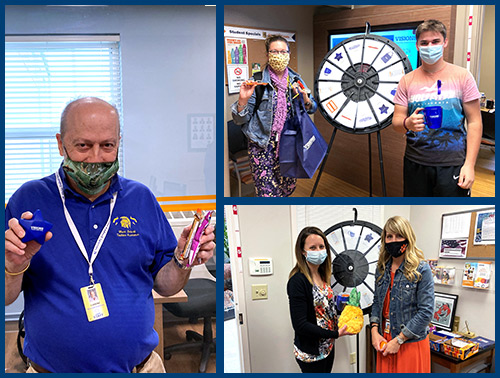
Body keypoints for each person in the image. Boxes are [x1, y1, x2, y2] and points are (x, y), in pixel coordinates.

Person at [5, 97, 215, 373]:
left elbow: (166, 286)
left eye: (107, 145)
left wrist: (181, 260)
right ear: (60, 143)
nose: (95, 157)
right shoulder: (27, 200)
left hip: (140, 368)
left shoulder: (141, 199)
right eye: (83, 145)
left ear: (118, 143)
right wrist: (13, 267)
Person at [392, 19, 482, 197]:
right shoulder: (406, 80)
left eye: (435, 42)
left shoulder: (463, 76)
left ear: (445, 43)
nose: (429, 47)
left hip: (453, 163)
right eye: (424, 43)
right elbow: (396, 123)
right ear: (417, 46)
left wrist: (470, 165)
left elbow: (474, 122)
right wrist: (407, 123)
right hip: (415, 162)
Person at [231, 35, 317, 197]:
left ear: (289, 54)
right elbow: (239, 120)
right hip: (262, 145)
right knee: (267, 193)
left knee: (287, 188)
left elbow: (312, 108)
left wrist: (305, 99)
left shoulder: (296, 80)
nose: (279, 55)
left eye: (283, 52)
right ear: (267, 54)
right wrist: (242, 100)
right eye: (275, 52)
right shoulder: (257, 82)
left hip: (289, 143)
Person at [370, 216, 434, 373]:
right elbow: (377, 303)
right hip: (385, 340)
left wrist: (399, 339)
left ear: (408, 238)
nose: (394, 240)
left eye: (399, 235)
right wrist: (374, 331)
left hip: (410, 343)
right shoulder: (381, 269)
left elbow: (426, 312)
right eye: (389, 236)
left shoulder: (422, 269)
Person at [287, 227, 351, 373]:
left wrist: (346, 310)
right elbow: (300, 325)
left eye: (321, 247)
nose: (318, 251)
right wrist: (334, 334)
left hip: (328, 347)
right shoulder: (298, 281)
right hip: (311, 354)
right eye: (313, 247)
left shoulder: (323, 275)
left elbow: (324, 310)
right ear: (303, 252)